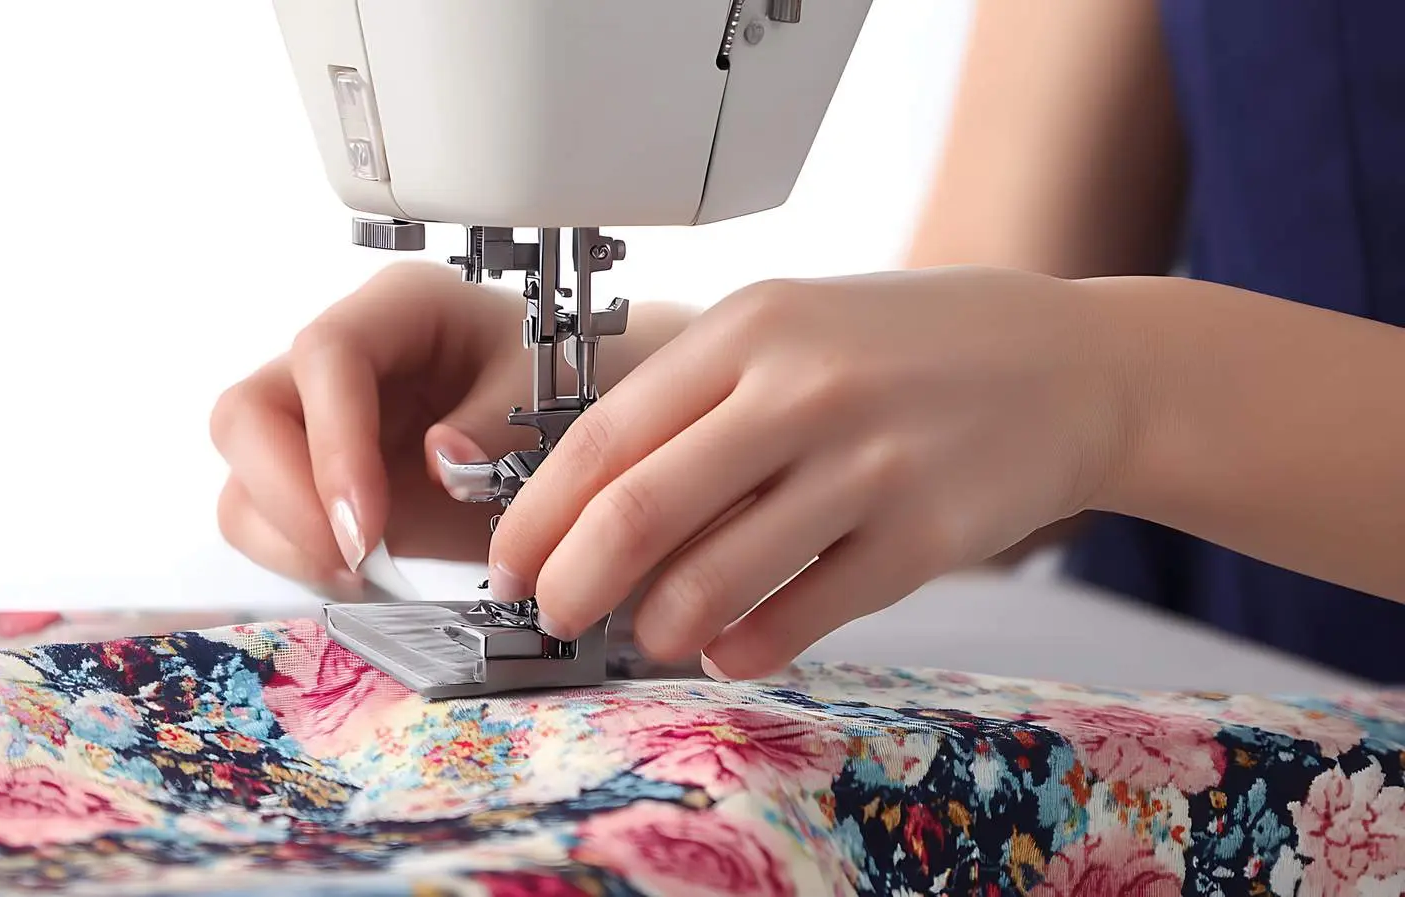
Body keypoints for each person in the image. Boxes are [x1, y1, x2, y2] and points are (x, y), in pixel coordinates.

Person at [209, 0, 1405, 683]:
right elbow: (1002, 315)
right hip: (1213, 668)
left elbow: (1063, 379)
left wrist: (1120, 391)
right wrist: (654, 422)